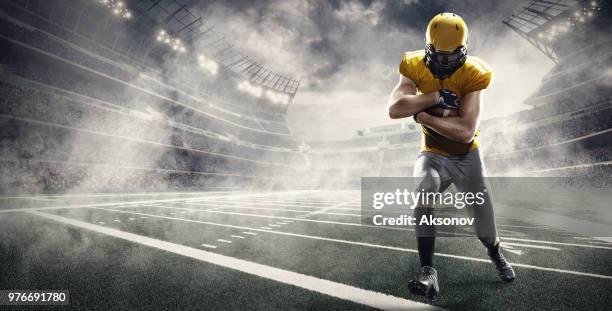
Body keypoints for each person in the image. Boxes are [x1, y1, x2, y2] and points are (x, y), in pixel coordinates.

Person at [386, 12, 515, 302]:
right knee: (423, 190)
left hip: (467, 158)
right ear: (428, 48)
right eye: (438, 56)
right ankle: (428, 271)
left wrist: (423, 116)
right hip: (432, 154)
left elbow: (465, 131)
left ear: (464, 49)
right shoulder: (413, 64)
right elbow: (395, 109)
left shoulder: (474, 72)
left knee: (485, 227)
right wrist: (433, 98)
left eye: (450, 57)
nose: (444, 64)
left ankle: (495, 252)